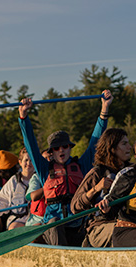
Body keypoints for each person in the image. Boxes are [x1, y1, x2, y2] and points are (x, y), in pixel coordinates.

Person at [18, 89, 113, 246]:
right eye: (56, 148)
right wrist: (24, 117)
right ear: (51, 152)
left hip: (77, 223)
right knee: (54, 223)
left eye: (64, 146)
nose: (61, 150)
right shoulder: (44, 169)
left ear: (70, 148)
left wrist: (104, 109)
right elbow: (31, 144)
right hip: (53, 225)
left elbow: (96, 140)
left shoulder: (82, 165)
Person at [71, 128, 131, 247]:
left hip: (126, 223)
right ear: (112, 149)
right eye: (124, 144)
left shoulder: (132, 171)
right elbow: (75, 207)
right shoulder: (97, 173)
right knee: (123, 230)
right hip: (99, 227)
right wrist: (96, 189)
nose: (130, 147)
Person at [0, 148, 35, 234]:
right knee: (14, 228)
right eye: (26, 160)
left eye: (31, 160)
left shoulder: (40, 178)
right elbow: (3, 199)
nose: (29, 163)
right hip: (18, 219)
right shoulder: (13, 181)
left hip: (35, 219)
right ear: (20, 162)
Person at [24, 148, 52, 227]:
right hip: (37, 219)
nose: (49, 160)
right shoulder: (36, 177)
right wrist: (49, 187)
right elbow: (30, 196)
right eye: (45, 159)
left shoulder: (63, 174)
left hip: (56, 217)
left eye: (51, 157)